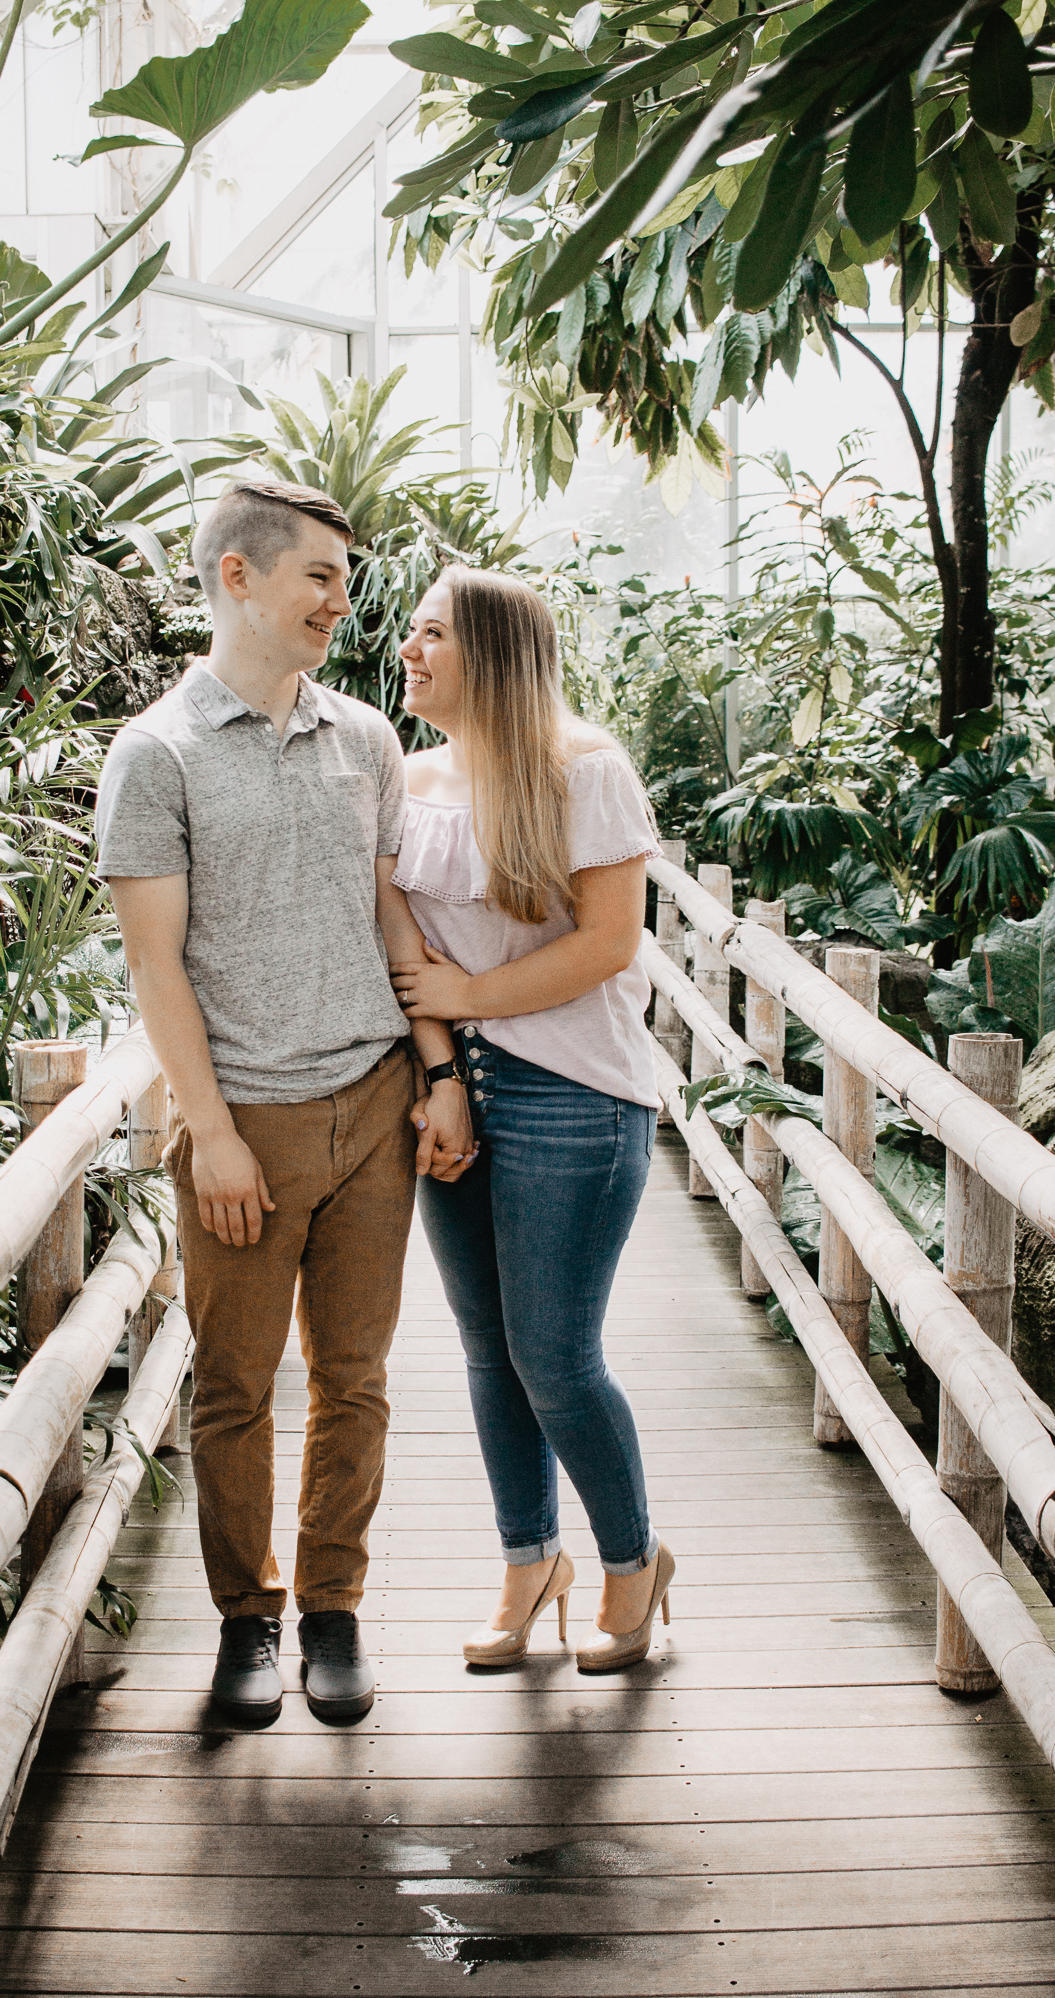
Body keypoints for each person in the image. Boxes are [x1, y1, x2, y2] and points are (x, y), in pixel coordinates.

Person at [95, 478, 473, 1726]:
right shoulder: (156, 754)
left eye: (344, 578)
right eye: (318, 573)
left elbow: (390, 914)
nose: (340, 599)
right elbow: (156, 963)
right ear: (237, 579)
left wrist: (437, 1071)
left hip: (373, 1105)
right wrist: (207, 1131)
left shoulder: (367, 738)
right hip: (241, 1121)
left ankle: (335, 1610)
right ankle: (246, 1619)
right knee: (236, 1385)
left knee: (356, 1375)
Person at [385, 564, 675, 1673]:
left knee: (553, 1349)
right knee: (487, 1351)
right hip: (456, 1080)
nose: (409, 650)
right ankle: (526, 1560)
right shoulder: (406, 780)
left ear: (495, 655)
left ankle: (633, 1558)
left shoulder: (585, 770)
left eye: (432, 635)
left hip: (577, 1090)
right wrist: (443, 1066)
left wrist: (464, 999)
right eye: (412, 632)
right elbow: (396, 931)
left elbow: (607, 942)